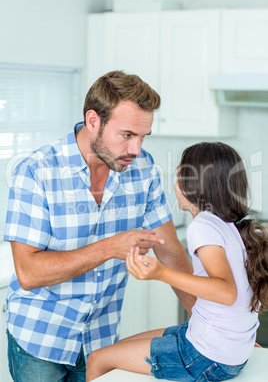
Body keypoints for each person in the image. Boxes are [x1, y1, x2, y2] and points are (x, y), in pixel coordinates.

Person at [4, 70, 194, 381]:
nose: (136, 148)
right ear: (94, 121)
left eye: (143, 136)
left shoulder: (143, 169)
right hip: (40, 338)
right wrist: (111, 247)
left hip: (100, 343)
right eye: (127, 135)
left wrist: (214, 326)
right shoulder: (36, 171)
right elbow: (28, 272)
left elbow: (171, 252)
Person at [86, 141, 268, 382]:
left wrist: (161, 273)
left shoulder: (202, 225)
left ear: (196, 185)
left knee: (98, 359)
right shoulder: (226, 225)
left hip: (206, 356)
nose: (175, 184)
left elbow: (226, 291)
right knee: (119, 347)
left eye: (180, 175)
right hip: (231, 352)